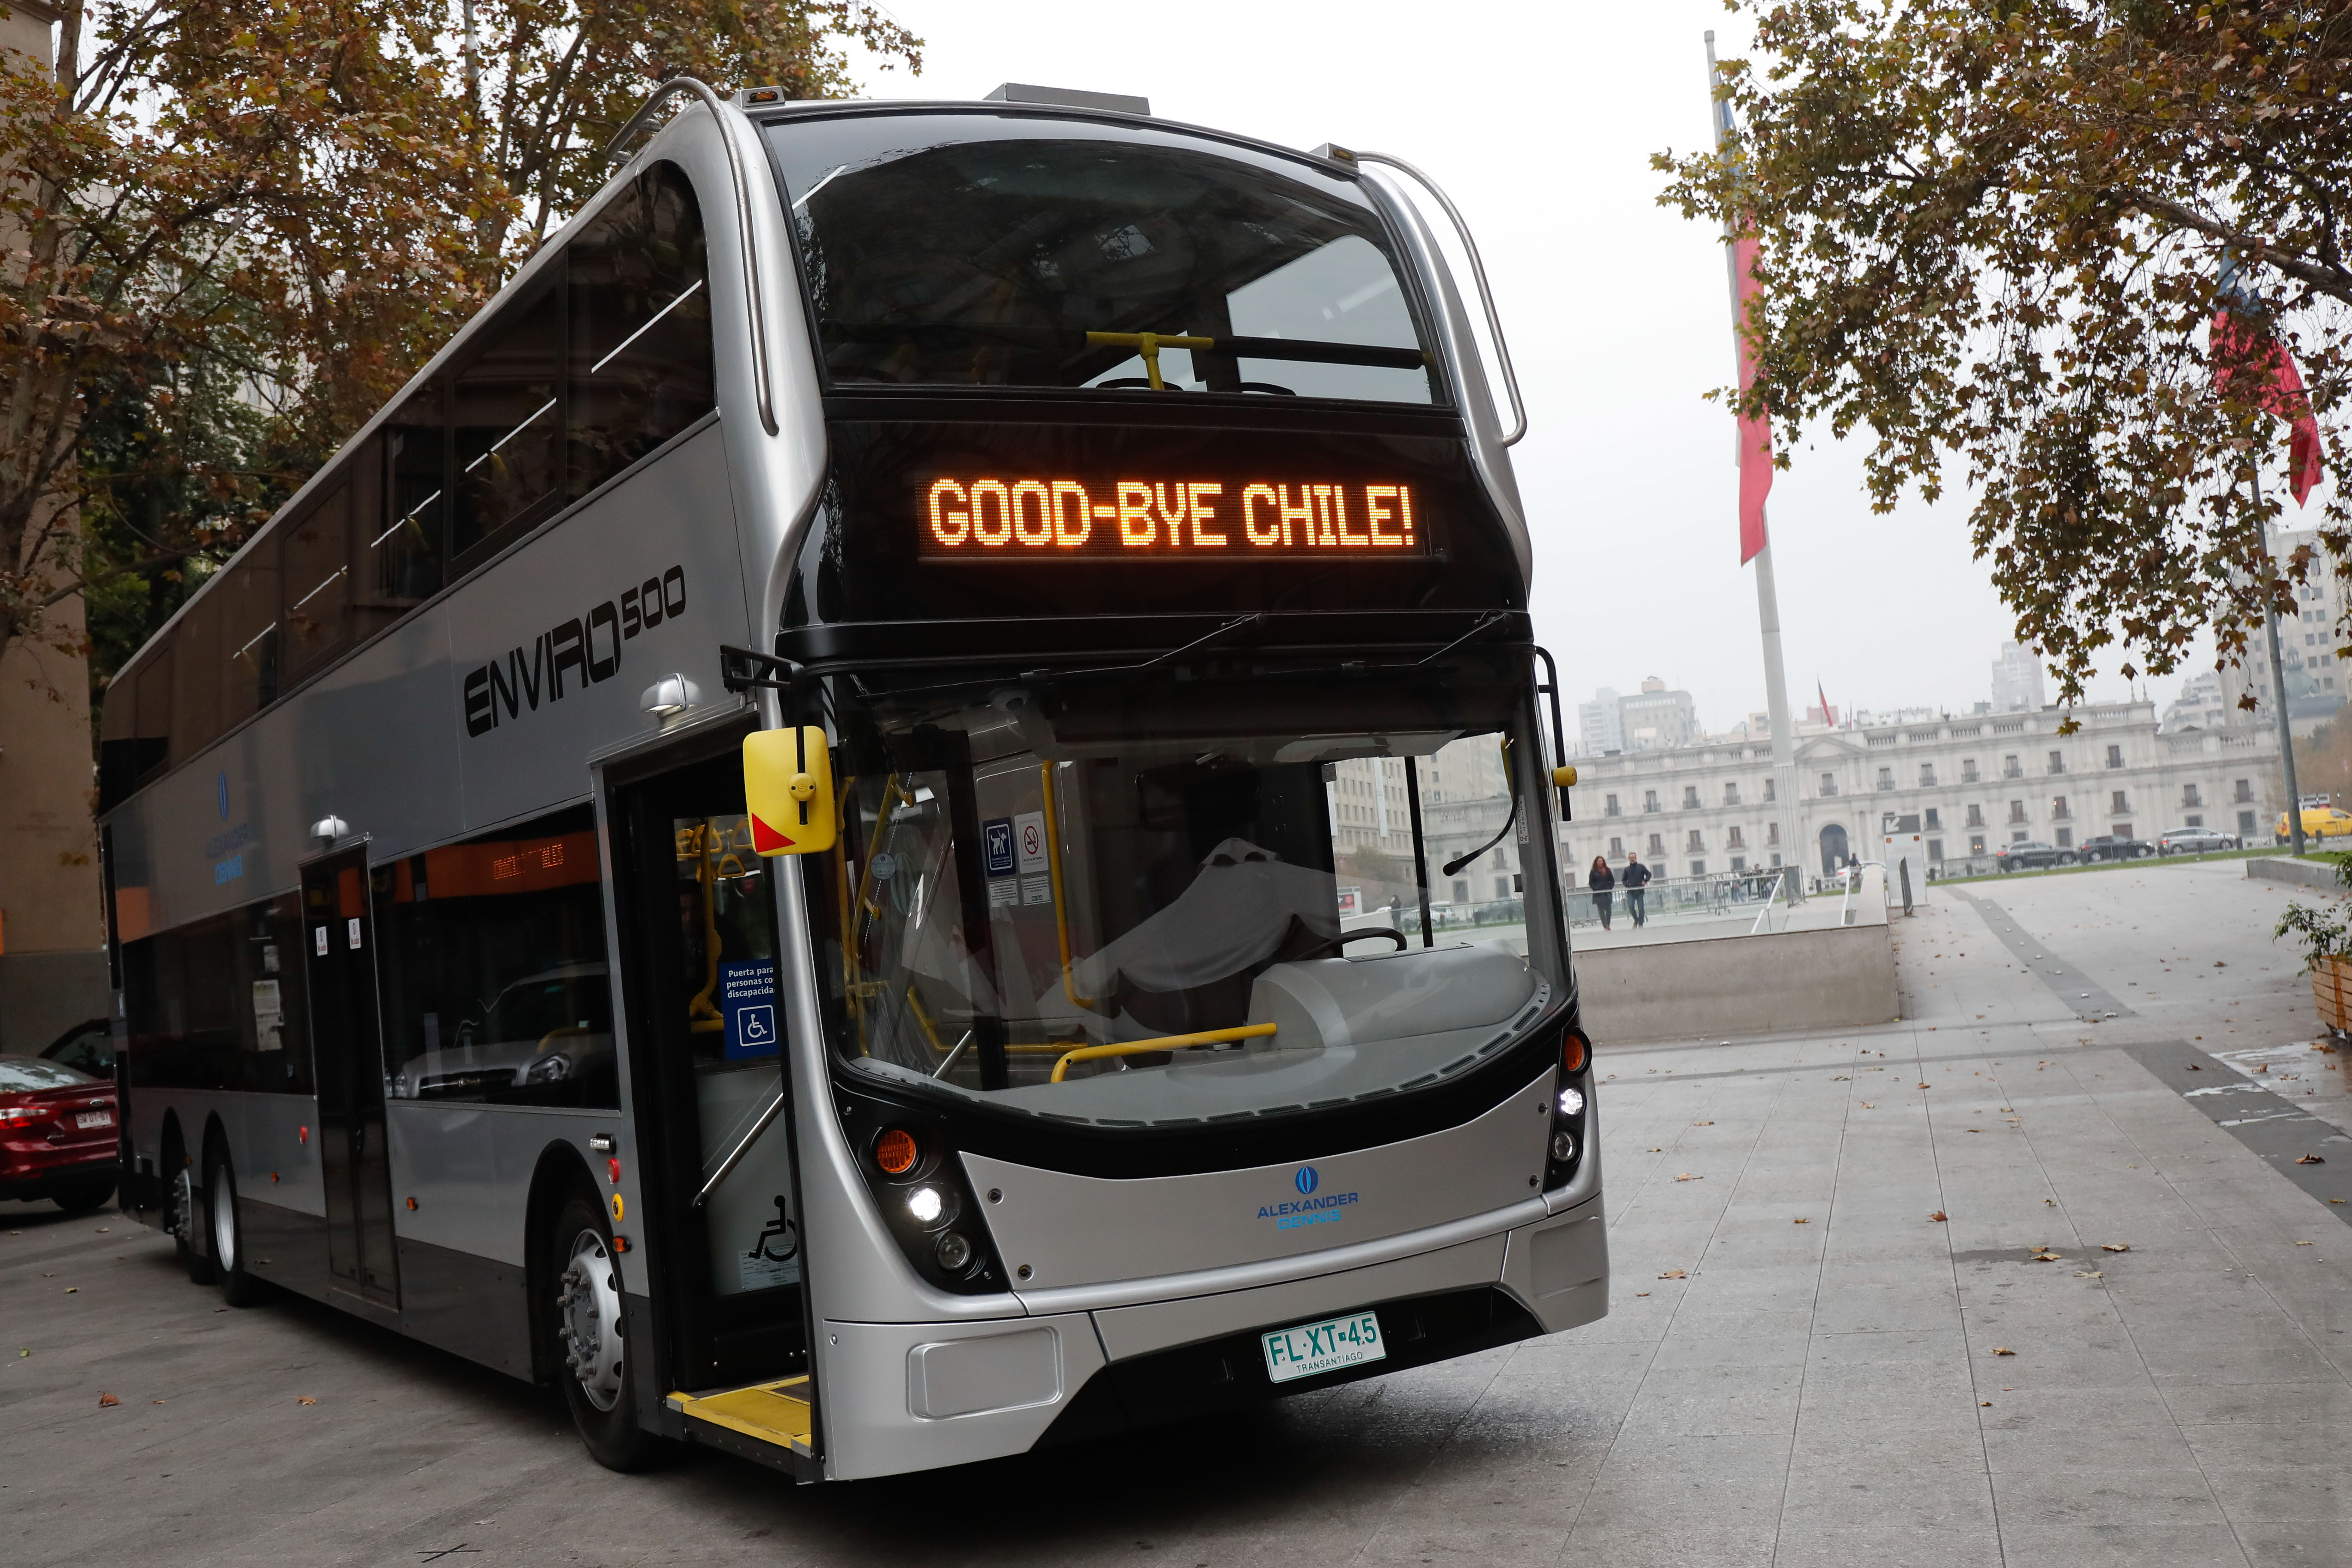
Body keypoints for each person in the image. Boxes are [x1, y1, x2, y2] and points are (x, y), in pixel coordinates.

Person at [1621, 850, 1652, 927]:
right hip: (1631, 892)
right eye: (1631, 858)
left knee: (1641, 908)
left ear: (1636, 858)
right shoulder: (1627, 869)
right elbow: (1624, 880)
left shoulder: (1641, 867)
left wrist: (1645, 881)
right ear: (1629, 859)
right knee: (1631, 907)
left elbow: (1649, 874)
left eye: (1634, 858)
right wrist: (1627, 885)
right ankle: (1636, 920)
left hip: (1640, 891)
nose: (1632, 859)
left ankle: (1641, 923)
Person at [1587, 855, 1616, 930]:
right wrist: (1596, 889)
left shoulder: (1608, 870)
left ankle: (1608, 924)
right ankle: (1605, 926)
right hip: (1598, 894)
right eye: (1599, 861)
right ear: (1596, 862)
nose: (1601, 863)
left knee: (1609, 910)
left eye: (1602, 861)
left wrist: (1610, 888)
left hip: (1607, 893)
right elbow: (1591, 883)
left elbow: (1612, 881)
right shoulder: (1593, 871)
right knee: (1601, 911)